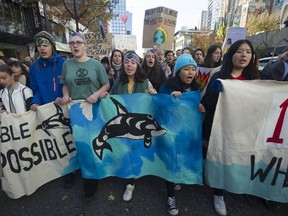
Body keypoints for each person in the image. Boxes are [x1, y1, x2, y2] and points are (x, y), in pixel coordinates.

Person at [200, 39, 258, 216]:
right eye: (239, 51)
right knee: (219, 159)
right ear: (231, 54)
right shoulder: (218, 77)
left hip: (242, 129)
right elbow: (205, 103)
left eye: (248, 52)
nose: (243, 55)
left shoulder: (255, 80)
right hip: (219, 128)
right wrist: (216, 95)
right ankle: (218, 193)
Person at [101, 51, 156, 204]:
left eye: (132, 62)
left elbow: (154, 102)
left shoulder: (145, 82)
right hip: (124, 127)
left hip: (138, 126)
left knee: (138, 151)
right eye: (126, 62)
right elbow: (111, 99)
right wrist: (106, 96)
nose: (129, 65)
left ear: (138, 65)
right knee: (126, 152)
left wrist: (153, 94)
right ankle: (129, 183)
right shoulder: (118, 82)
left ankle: (140, 173)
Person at [60, 32, 110, 201]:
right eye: (72, 43)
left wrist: (96, 94)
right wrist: (66, 95)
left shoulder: (96, 64)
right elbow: (65, 84)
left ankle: (92, 181)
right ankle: (87, 175)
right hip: (76, 113)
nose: (75, 45)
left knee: (92, 144)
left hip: (94, 111)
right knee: (80, 145)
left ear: (85, 45)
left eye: (78, 43)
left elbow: (106, 84)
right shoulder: (66, 64)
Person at [159, 53, 205, 216]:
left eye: (193, 69)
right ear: (178, 71)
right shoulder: (167, 86)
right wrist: (170, 99)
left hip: (186, 133)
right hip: (171, 132)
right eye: (186, 69)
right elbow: (159, 106)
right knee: (171, 161)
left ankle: (178, 179)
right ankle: (170, 196)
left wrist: (201, 109)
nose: (191, 72)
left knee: (182, 159)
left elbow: (196, 109)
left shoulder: (196, 88)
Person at [29, 31, 75, 188]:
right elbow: (35, 89)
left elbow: (68, 84)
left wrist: (63, 97)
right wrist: (35, 102)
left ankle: (74, 168)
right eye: (39, 45)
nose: (42, 48)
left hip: (63, 107)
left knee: (68, 138)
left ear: (53, 47)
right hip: (46, 111)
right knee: (55, 141)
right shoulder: (34, 68)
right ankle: (64, 169)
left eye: (45, 45)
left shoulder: (65, 64)